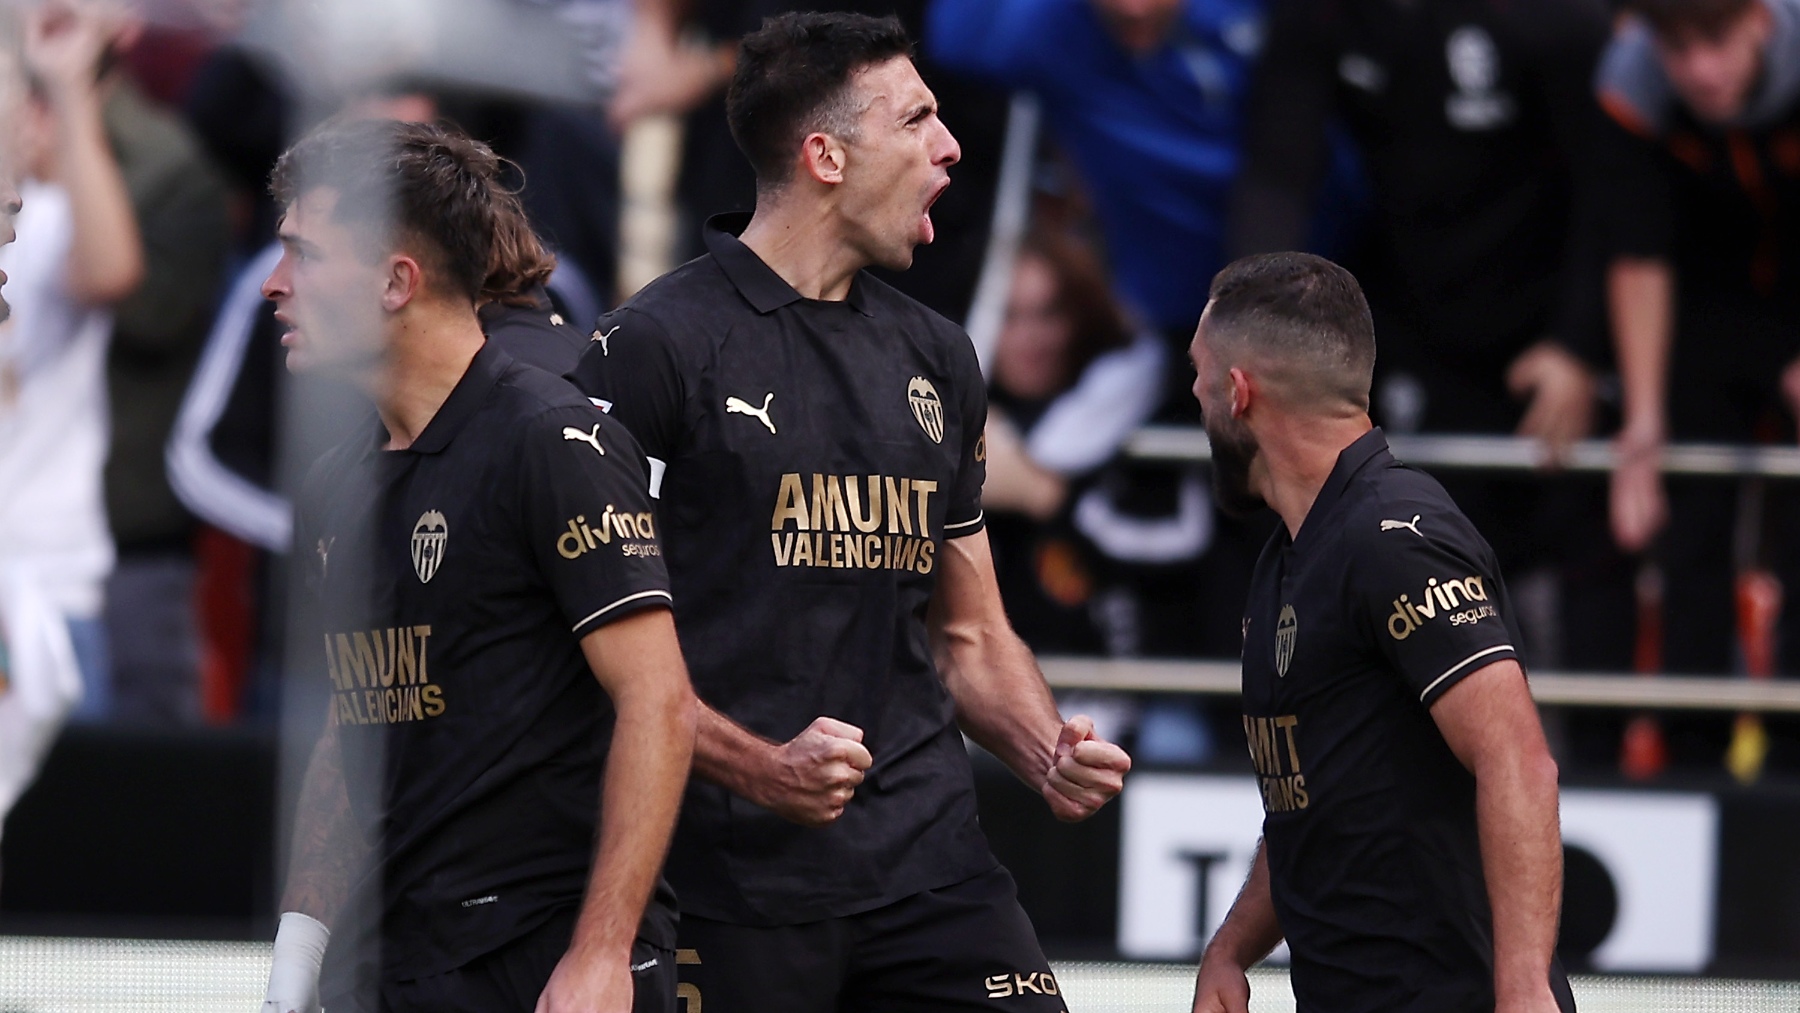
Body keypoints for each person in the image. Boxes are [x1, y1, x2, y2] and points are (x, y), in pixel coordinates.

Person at [569, 13, 1131, 1011]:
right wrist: (766, 769)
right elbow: (593, 653)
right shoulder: (651, 348)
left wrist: (1046, 746)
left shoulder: (939, 356)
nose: (950, 145)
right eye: (916, 119)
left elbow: (969, 633)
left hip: (931, 866)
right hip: (727, 885)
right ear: (825, 156)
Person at [256, 118, 696, 1013]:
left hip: (540, 956)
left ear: (395, 280)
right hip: (394, 955)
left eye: (303, 254)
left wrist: (601, 954)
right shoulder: (334, 481)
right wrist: (295, 960)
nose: (274, 285)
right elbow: (354, 730)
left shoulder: (553, 439)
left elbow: (660, 702)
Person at [1185, 253, 1572, 1013]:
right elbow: (1312, 802)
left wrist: (1524, 989)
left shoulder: (1395, 535)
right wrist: (1231, 946)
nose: (1193, 395)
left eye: (1198, 376)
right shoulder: (1291, 553)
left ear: (1238, 394)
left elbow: (1518, 758)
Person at [1226, 0, 1634, 674]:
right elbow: (1277, 172)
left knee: (1584, 528)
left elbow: (1610, 186)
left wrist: (1580, 347)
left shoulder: (1555, 20)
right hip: (1416, 312)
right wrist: (1249, 332)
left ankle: (1605, 757)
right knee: (1421, 536)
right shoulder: (1324, 18)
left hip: (1551, 316)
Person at [1596, 0, 1800, 688]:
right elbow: (1638, 251)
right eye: (1677, 48)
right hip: (1701, 315)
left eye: (1717, 40)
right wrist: (1643, 425)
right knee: (1689, 532)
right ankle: (1690, 749)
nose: (1701, 70)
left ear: (1760, 21)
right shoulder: (1632, 79)